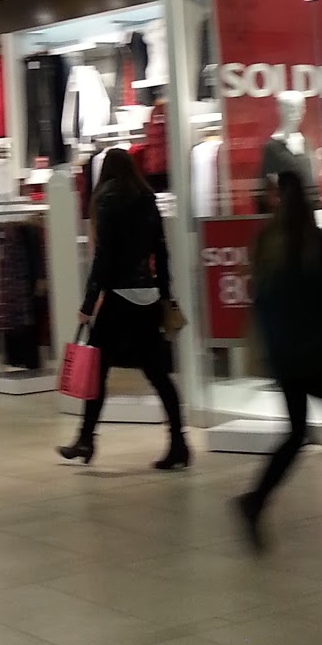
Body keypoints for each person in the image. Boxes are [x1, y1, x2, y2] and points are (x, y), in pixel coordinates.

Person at [236, 169, 322, 549]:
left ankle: (256, 499)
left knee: (297, 432)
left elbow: (260, 298)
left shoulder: (264, 244)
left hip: (284, 355)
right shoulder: (314, 242)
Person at [58, 148, 188, 470]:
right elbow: (162, 251)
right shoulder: (147, 198)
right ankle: (179, 442)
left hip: (118, 297)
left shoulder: (107, 199)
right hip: (147, 295)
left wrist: (88, 304)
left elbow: (104, 257)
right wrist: (165, 294)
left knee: (97, 370)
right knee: (158, 374)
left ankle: (86, 439)